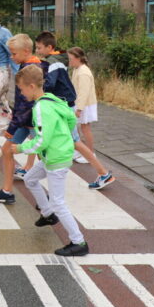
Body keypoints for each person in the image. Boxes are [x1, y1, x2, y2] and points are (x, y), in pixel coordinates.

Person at [12, 64, 89, 257]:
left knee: (58, 202)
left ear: (31, 86)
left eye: (21, 89)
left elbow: (41, 140)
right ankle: (47, 214)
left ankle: (79, 242)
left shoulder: (40, 108)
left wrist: (20, 148)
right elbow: (71, 118)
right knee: (30, 179)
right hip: (56, 155)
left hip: (55, 158)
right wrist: (65, 140)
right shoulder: (52, 99)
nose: (21, 93)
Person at [35, 31, 115, 190]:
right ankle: (41, 174)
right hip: (63, 105)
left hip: (65, 106)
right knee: (65, 140)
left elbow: (49, 85)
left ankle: (103, 173)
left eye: (39, 48)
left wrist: (37, 87)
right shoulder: (56, 60)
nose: (37, 51)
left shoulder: (53, 63)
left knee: (74, 141)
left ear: (49, 47)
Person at [0, 34, 42, 204]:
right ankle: (7, 191)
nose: (11, 57)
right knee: (7, 151)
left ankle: (49, 198)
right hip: (25, 121)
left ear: (25, 51)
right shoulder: (32, 66)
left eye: (14, 54)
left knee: (44, 156)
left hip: (31, 121)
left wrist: (11, 128)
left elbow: (25, 104)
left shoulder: (29, 71)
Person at [68, 47, 98, 159]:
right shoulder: (77, 69)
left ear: (78, 58)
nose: (69, 61)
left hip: (85, 104)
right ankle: (80, 150)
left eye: (71, 59)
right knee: (79, 128)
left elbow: (83, 93)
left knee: (85, 128)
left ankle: (90, 154)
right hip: (81, 103)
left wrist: (79, 109)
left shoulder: (83, 72)